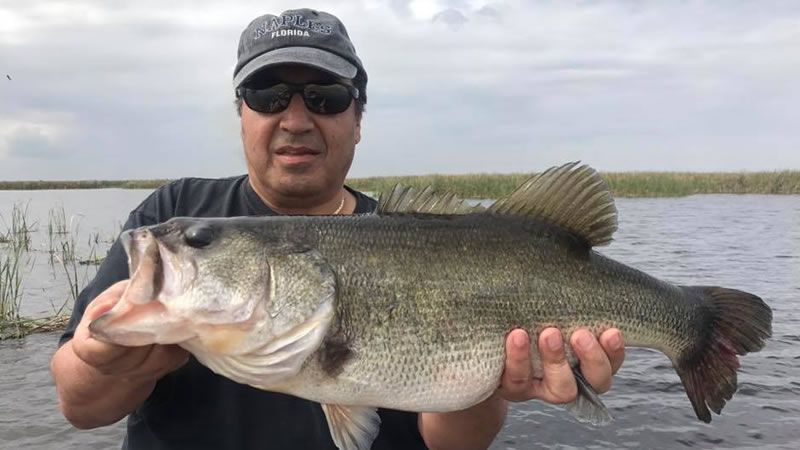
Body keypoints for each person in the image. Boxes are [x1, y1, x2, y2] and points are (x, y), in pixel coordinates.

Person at [50, 8, 625, 450]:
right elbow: (82, 407)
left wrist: (496, 384)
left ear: (358, 120)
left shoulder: (403, 231)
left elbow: (453, 442)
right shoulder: (175, 211)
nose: (295, 119)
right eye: (267, 95)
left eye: (325, 98)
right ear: (241, 113)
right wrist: (100, 361)